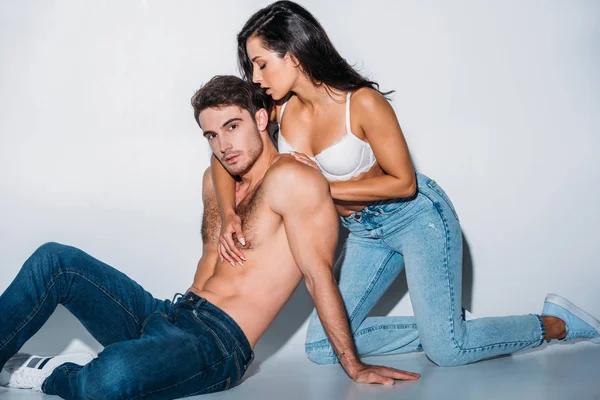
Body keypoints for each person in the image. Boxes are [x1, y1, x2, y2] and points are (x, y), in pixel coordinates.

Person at [210, 0, 600, 367]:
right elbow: (223, 155)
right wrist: (228, 213)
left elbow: (403, 183)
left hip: (416, 219)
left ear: (292, 54)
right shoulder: (278, 109)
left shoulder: (361, 103)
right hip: (361, 232)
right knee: (319, 348)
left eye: (261, 64)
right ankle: (445, 326)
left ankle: (554, 324)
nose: (256, 78)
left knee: (448, 353)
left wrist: (317, 191)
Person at [0, 75, 421, 399]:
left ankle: (52, 373)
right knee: (55, 259)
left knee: (113, 377)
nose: (223, 144)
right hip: (170, 313)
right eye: (211, 135)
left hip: (217, 344)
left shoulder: (294, 181)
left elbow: (318, 276)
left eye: (232, 126)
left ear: (261, 119)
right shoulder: (216, 182)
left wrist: (353, 365)